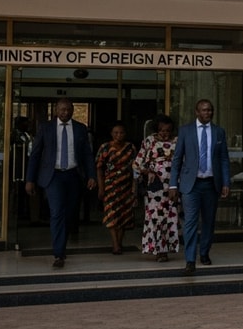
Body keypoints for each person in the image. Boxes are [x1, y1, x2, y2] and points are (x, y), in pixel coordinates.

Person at [25, 98, 96, 269]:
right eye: (62, 109)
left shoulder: (80, 128)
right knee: (57, 212)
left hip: (73, 175)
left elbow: (87, 154)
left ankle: (61, 247)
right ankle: (59, 253)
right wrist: (30, 180)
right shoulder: (46, 128)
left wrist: (91, 175)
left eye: (69, 110)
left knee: (69, 214)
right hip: (53, 176)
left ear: (72, 110)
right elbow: (35, 154)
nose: (65, 113)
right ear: (56, 110)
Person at [169, 99, 231, 276]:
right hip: (191, 184)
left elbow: (224, 159)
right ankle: (190, 259)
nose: (208, 113)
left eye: (210, 110)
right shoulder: (186, 131)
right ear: (196, 112)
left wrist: (226, 182)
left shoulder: (219, 132)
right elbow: (177, 159)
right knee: (190, 222)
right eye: (204, 110)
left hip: (211, 184)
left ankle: (204, 253)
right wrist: (173, 183)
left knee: (209, 222)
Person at [134, 114, 181, 262]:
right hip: (155, 187)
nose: (165, 133)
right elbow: (137, 164)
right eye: (162, 130)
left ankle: (166, 249)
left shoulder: (178, 141)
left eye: (168, 130)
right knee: (156, 217)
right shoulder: (149, 141)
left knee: (170, 217)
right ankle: (158, 249)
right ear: (157, 129)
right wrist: (148, 171)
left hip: (172, 185)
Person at [96, 121, 137, 255]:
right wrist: (101, 188)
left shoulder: (131, 148)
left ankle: (119, 242)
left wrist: (134, 188)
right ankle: (115, 244)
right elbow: (99, 168)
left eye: (121, 132)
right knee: (112, 214)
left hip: (126, 185)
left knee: (124, 215)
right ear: (111, 134)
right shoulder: (105, 148)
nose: (119, 135)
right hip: (110, 186)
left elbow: (136, 169)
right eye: (116, 133)